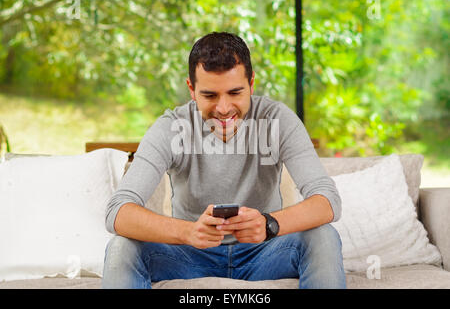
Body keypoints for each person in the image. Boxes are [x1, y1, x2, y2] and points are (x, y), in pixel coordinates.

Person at [102, 32, 346, 289]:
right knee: (121, 246)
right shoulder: (172, 127)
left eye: (235, 92)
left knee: (323, 236)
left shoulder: (277, 119)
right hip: (189, 255)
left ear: (251, 83)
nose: (223, 108)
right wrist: (188, 232)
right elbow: (117, 211)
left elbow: (328, 200)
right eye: (209, 95)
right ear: (191, 89)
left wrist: (269, 224)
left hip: (264, 253)